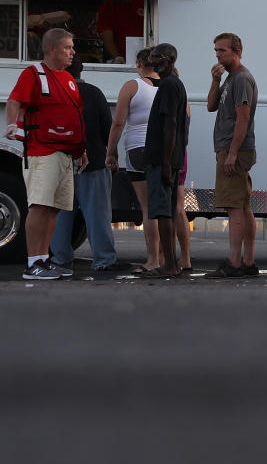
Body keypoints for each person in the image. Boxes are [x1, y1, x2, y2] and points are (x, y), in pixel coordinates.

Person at [4, 28, 87, 280]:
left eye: (72, 47)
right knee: (39, 206)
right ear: (51, 49)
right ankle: (33, 263)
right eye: (67, 47)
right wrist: (11, 124)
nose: (72, 52)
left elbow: (76, 116)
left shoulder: (69, 80)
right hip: (42, 151)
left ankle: (43, 259)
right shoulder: (33, 74)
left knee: (54, 209)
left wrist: (81, 150)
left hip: (65, 154)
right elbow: (14, 101)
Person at [49, 55, 126, 272]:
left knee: (61, 216)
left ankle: (60, 259)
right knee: (97, 215)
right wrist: (113, 156)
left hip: (60, 164)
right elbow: (107, 129)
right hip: (93, 163)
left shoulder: (53, 93)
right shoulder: (93, 92)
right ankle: (104, 260)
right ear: (81, 69)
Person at [206, 32, 259, 278]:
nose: (217, 55)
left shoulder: (241, 79)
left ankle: (234, 262)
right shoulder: (229, 79)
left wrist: (232, 153)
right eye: (216, 50)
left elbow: (244, 117)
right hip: (232, 148)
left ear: (237, 51)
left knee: (234, 206)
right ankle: (247, 261)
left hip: (234, 149)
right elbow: (211, 106)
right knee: (244, 205)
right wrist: (215, 81)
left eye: (222, 50)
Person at [105, 47, 161, 273]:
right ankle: (169, 258)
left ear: (139, 64)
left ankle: (152, 260)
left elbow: (118, 122)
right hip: (164, 151)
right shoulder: (171, 85)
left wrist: (111, 152)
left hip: (138, 149)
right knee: (164, 207)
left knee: (147, 208)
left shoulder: (132, 86)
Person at [135, 43, 188, 278]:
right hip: (168, 158)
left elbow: (170, 124)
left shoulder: (168, 85)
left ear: (168, 59)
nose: (153, 61)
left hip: (162, 159)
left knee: (163, 212)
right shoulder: (175, 84)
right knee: (165, 210)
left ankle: (169, 265)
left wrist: (166, 163)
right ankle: (171, 264)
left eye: (156, 57)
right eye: (151, 57)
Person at [97, 0, 145, 64]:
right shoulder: (107, 7)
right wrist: (118, 57)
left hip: (145, 56)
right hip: (121, 57)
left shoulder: (144, 0)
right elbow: (107, 37)